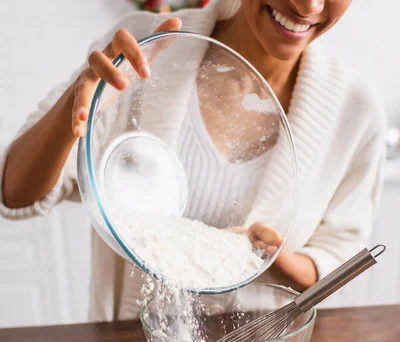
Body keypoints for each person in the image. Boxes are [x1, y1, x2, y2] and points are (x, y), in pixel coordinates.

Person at [0, 0, 386, 321]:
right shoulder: (144, 50)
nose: (309, 5)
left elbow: (337, 256)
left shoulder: (356, 111)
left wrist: (273, 259)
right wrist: (76, 105)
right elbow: (14, 193)